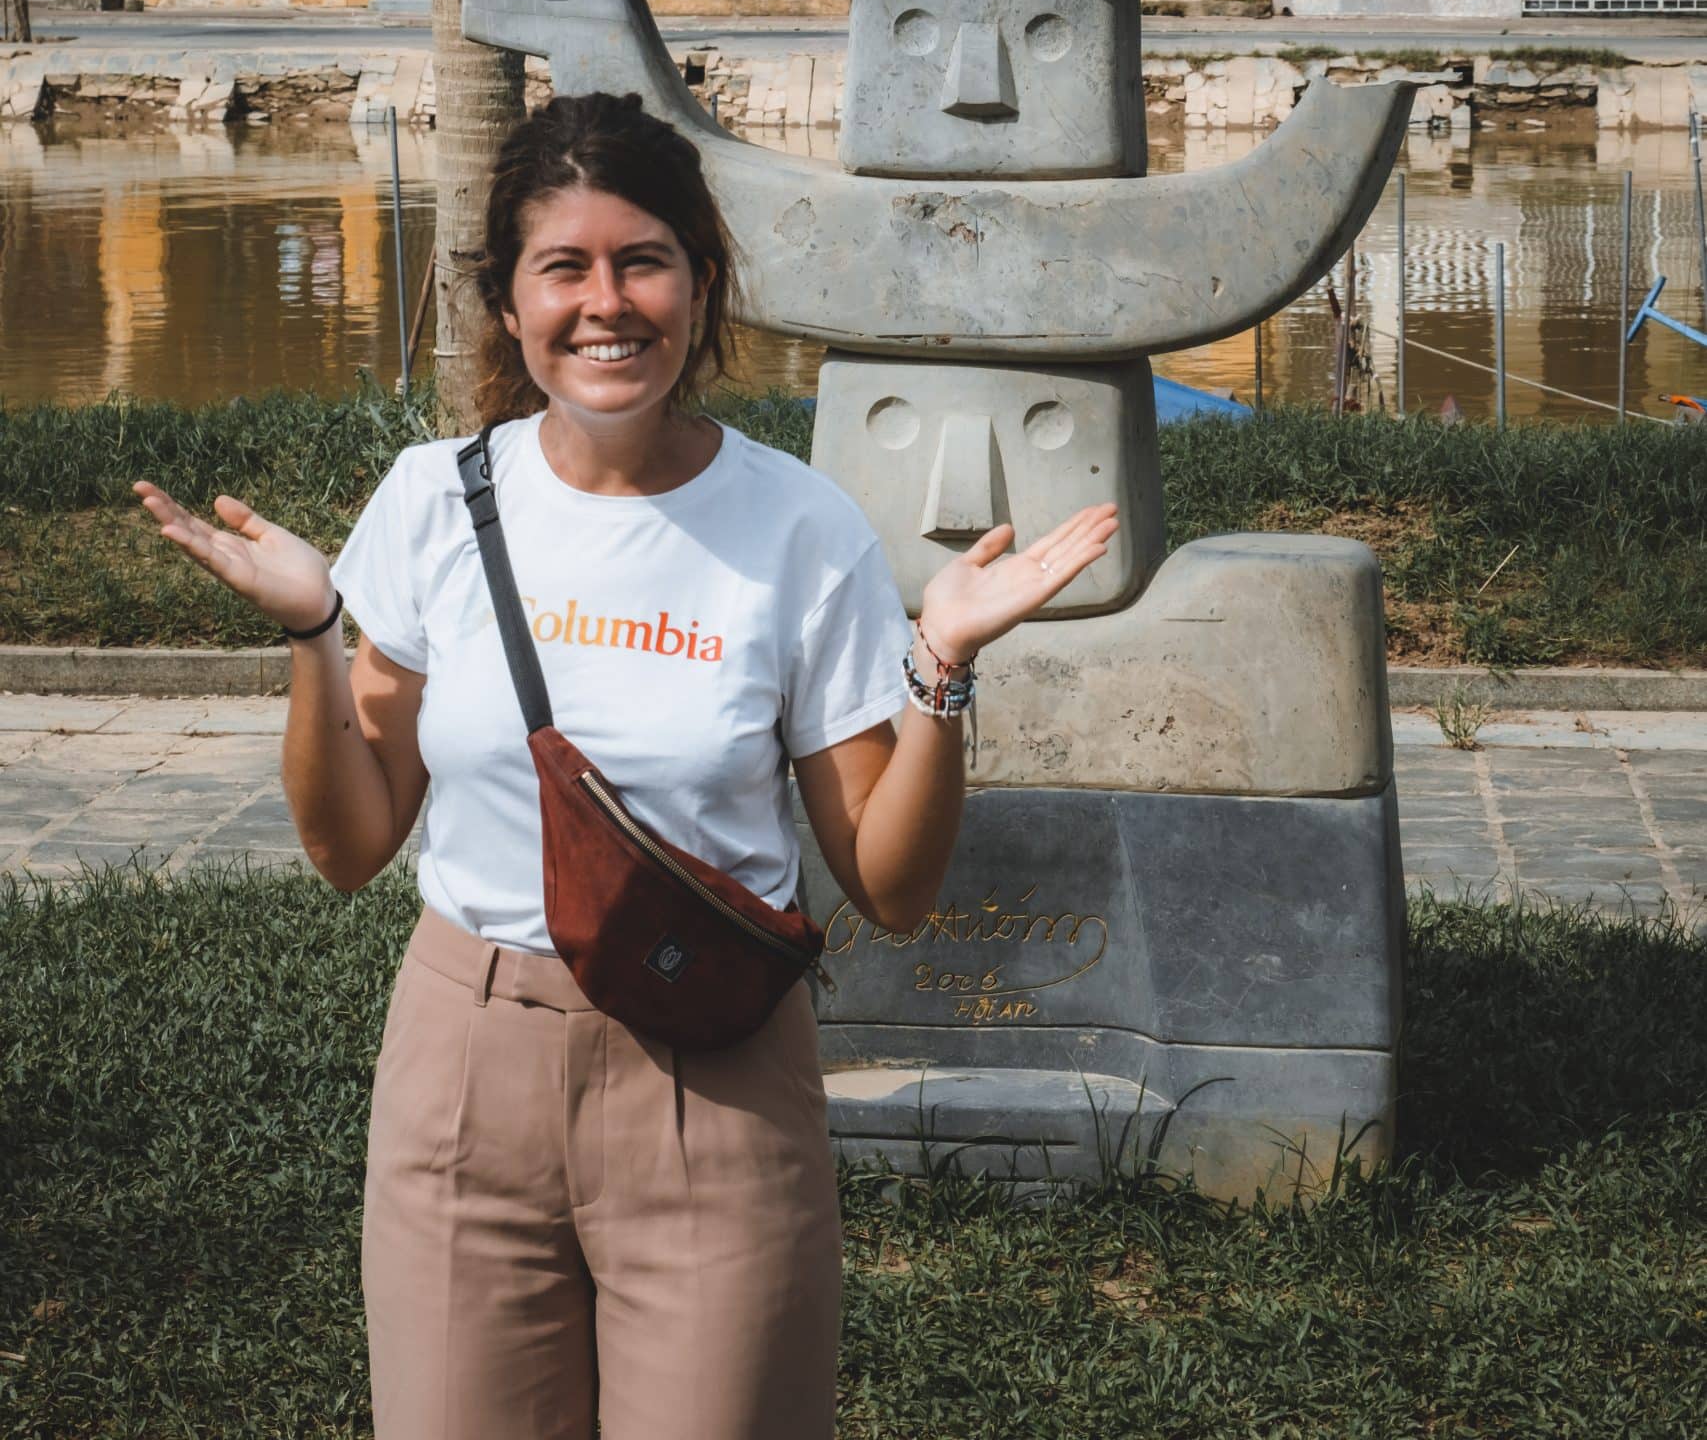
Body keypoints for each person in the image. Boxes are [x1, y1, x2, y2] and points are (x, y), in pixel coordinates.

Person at [133, 91, 1118, 1440]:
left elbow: (890, 885)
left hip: (711, 1075)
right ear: (510, 301)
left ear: (701, 287)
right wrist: (316, 632)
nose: (609, 304)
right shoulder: (434, 502)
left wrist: (939, 667)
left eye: (643, 261)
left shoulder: (796, 524)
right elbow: (351, 844)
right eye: (566, 267)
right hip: (463, 1065)